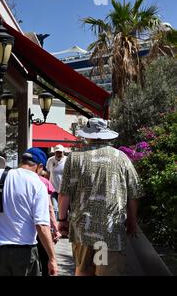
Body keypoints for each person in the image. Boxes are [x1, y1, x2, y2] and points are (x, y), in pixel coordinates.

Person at [58, 118, 143, 276]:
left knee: (83, 271)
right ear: (106, 135)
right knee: (105, 271)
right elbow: (134, 194)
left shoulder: (74, 158)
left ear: (87, 135)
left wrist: (62, 220)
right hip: (110, 232)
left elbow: (64, 194)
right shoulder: (121, 158)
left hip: (82, 229)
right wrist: (132, 220)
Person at [0, 149, 58, 276]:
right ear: (39, 167)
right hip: (24, 252)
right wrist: (52, 258)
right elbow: (41, 226)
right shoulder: (38, 184)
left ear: (22, 161)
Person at [25, 148, 61, 276]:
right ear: (39, 166)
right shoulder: (43, 182)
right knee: (45, 260)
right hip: (40, 229)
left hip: (23, 234)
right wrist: (55, 228)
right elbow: (50, 208)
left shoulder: (12, 178)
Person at [46, 144, 67, 219]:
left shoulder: (67, 160)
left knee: (64, 208)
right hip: (53, 188)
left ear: (63, 152)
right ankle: (55, 227)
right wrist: (48, 184)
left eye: (60, 152)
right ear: (54, 152)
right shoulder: (50, 160)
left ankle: (63, 224)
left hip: (64, 189)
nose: (59, 154)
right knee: (55, 208)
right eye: (57, 152)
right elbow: (48, 173)